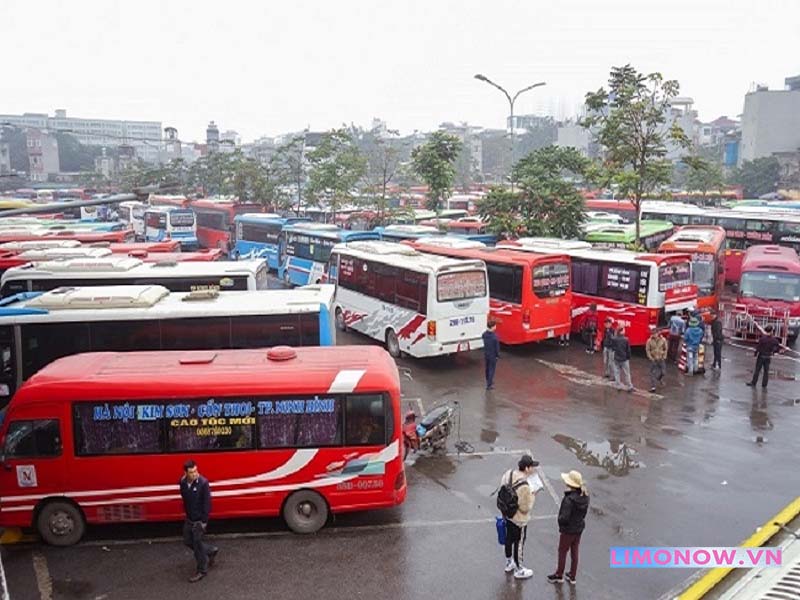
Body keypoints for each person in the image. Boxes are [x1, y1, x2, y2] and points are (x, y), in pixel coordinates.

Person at [499, 455, 539, 580]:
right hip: (519, 520)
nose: (533, 469)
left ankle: (509, 562)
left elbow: (502, 490)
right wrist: (533, 495)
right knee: (519, 542)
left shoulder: (508, 474)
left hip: (507, 514)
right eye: (532, 467)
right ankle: (519, 568)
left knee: (508, 539)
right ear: (526, 468)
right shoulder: (525, 486)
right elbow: (525, 508)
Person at [547, 470, 590, 585]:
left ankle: (559, 574)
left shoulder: (569, 500)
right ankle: (572, 576)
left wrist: (561, 524)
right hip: (578, 528)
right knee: (575, 552)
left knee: (562, 551)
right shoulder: (585, 496)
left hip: (568, 530)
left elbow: (563, 518)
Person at [180, 460, 218, 582]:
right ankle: (210, 551)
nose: (195, 474)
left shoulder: (203, 483)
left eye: (196, 471)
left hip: (198, 521)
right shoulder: (183, 483)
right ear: (185, 473)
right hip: (189, 519)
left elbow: (207, 504)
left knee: (197, 546)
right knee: (187, 541)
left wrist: (204, 522)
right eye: (191, 472)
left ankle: (202, 570)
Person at [645, 325, 667, 393]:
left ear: (658, 333)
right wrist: (650, 358)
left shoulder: (663, 340)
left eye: (655, 333)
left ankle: (659, 378)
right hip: (653, 359)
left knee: (663, 372)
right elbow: (647, 350)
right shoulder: (649, 341)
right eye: (652, 333)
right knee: (652, 373)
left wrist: (664, 356)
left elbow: (665, 348)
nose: (653, 335)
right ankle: (653, 387)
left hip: (661, 359)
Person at [612, 326, 633, 392]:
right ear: (621, 331)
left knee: (617, 372)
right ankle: (629, 386)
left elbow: (613, 348)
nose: (625, 331)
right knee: (627, 373)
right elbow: (628, 350)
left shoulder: (614, 339)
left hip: (616, 358)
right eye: (624, 330)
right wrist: (628, 357)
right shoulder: (626, 339)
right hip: (624, 359)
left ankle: (618, 385)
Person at [483, 320, 501, 390]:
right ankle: (489, 384)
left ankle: (488, 380)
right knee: (491, 369)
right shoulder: (495, 337)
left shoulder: (484, 334)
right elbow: (497, 348)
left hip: (486, 354)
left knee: (487, 368)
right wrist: (497, 355)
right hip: (492, 355)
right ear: (492, 327)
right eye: (495, 326)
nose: (495, 327)